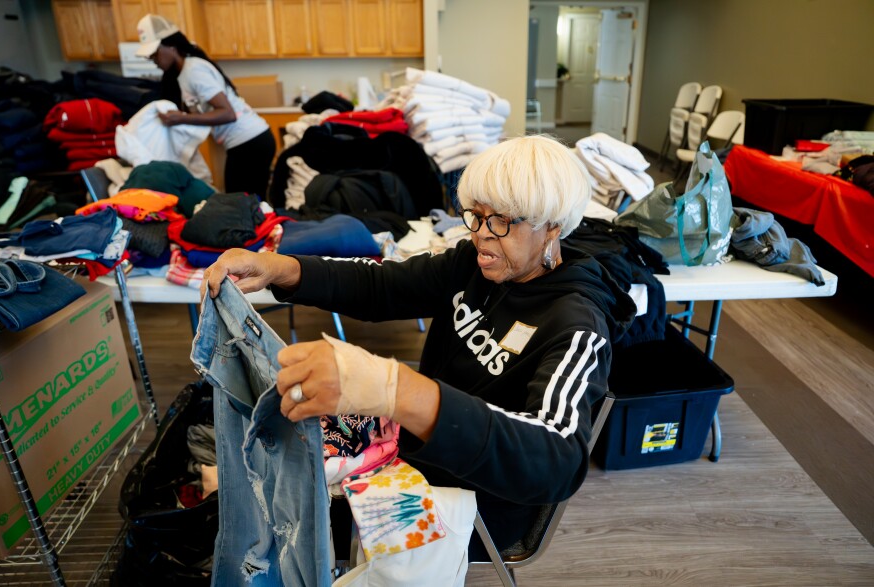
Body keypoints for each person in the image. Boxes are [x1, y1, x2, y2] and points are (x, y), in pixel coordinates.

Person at [202, 134, 636, 559]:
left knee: (269, 491)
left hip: (475, 508)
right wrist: (280, 268)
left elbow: (555, 460)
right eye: (475, 215)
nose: (482, 235)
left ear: (552, 226)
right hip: (413, 453)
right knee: (266, 449)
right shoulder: (475, 263)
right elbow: (381, 285)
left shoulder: (576, 324)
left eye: (501, 221)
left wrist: (398, 390)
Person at [135, 13, 275, 199]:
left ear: (171, 46)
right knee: (246, 205)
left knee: (240, 205)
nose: (154, 60)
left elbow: (228, 113)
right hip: (249, 142)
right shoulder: (184, 73)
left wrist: (182, 118)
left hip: (250, 142)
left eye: (155, 53)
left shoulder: (194, 71)